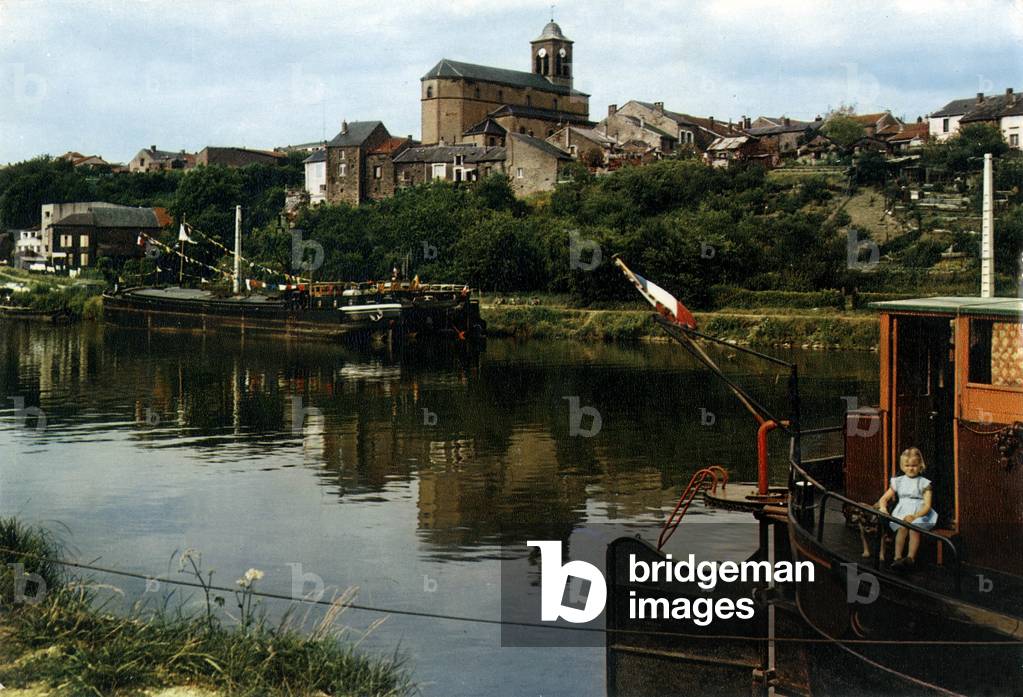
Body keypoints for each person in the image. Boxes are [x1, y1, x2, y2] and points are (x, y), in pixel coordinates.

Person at [876, 447, 938, 570]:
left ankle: (910, 558)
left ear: (920, 465)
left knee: (914, 528)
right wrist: (883, 508)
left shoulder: (924, 483)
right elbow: (884, 499)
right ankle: (897, 557)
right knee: (902, 528)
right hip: (902, 511)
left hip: (919, 513)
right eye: (907, 465)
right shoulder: (898, 482)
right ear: (902, 466)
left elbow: (927, 505)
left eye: (914, 465)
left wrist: (915, 516)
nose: (910, 468)